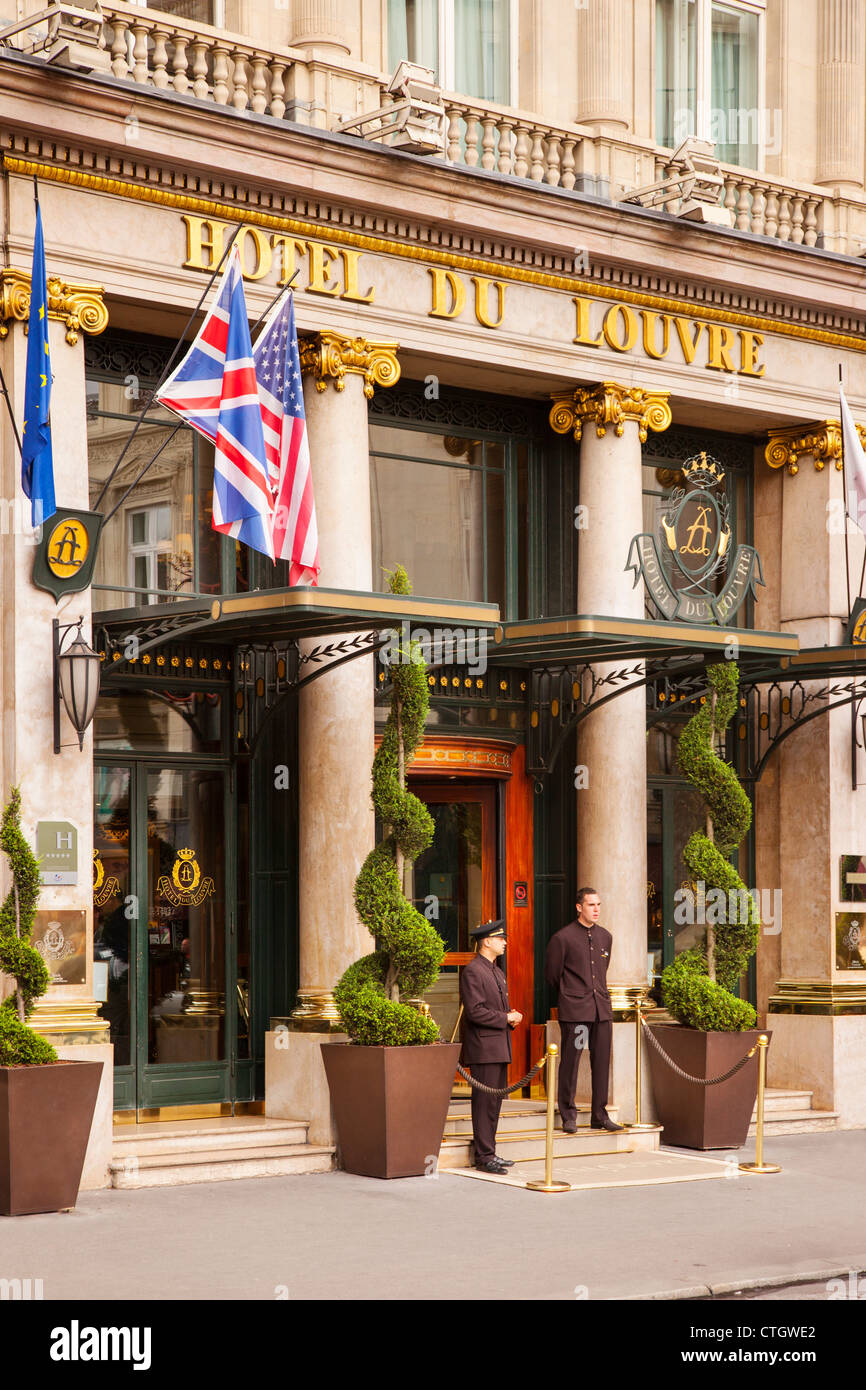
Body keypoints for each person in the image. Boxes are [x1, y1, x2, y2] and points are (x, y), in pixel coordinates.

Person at [545, 887, 624, 1134]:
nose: (597, 909)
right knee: (571, 1061)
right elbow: (552, 975)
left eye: (599, 904)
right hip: (577, 1012)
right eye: (591, 905)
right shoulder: (562, 938)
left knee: (601, 1062)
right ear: (579, 907)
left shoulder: (606, 937)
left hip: (601, 1010)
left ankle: (599, 1115)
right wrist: (573, 994)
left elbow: (603, 970)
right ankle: (568, 1114)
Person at [459, 920, 523, 1173]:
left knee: (494, 1103)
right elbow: (475, 1012)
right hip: (484, 1048)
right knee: (485, 1103)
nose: (505, 942)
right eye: (500, 938)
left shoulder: (495, 970)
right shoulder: (474, 970)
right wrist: (506, 1018)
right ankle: (484, 1158)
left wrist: (510, 1016)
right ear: (486, 941)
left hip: (498, 1045)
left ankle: (490, 1152)